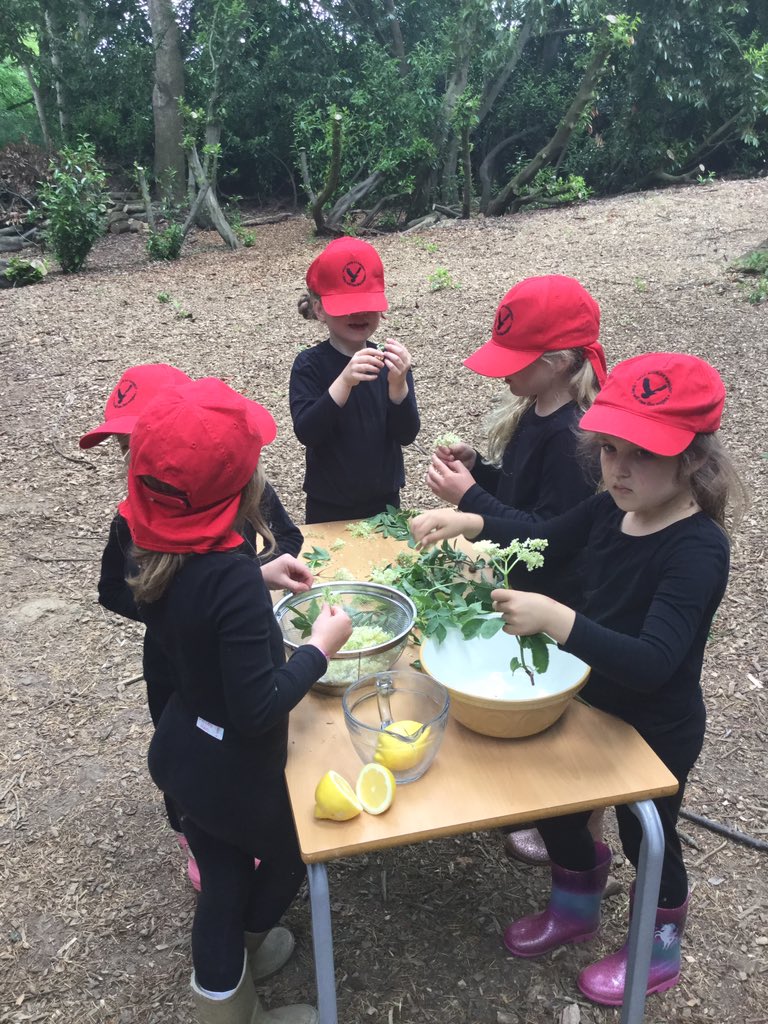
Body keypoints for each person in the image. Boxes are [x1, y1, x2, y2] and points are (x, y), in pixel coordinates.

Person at [411, 352, 741, 1006]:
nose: (618, 468)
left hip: (656, 727)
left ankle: (658, 946)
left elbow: (653, 660)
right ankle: (575, 904)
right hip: (587, 702)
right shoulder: (608, 511)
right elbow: (544, 534)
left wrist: (559, 621)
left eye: (641, 455)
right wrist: (473, 522)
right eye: (610, 449)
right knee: (561, 812)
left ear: (695, 460)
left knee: (649, 833)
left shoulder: (697, 549)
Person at [121, 378, 352, 1024]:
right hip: (233, 772)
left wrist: (257, 572)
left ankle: (238, 972)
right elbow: (258, 706)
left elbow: (201, 601)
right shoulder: (228, 577)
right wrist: (322, 647)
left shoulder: (156, 552)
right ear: (245, 488)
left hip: (182, 751)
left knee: (221, 873)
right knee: (282, 859)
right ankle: (232, 998)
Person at [82, 365, 309, 908]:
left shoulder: (238, 492)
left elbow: (289, 537)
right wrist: (188, 611)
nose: (133, 459)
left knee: (234, 751)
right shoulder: (130, 520)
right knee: (187, 744)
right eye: (124, 445)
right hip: (175, 662)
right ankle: (195, 828)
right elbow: (114, 590)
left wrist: (246, 582)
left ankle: (230, 828)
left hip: (234, 659)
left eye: (133, 441)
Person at [426, 275, 607, 865]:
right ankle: (549, 812)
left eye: (514, 358)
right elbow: (526, 498)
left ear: (556, 362)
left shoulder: (575, 435)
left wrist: (473, 499)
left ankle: (577, 827)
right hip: (531, 588)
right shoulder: (538, 411)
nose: (500, 369)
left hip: (563, 597)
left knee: (573, 724)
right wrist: (483, 472)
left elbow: (549, 539)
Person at [290, 236, 420, 523]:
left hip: (385, 501)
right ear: (320, 309)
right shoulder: (309, 365)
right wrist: (345, 381)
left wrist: (398, 386)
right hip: (329, 504)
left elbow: (407, 434)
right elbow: (307, 432)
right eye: (346, 306)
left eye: (367, 304)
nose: (359, 314)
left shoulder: (390, 361)